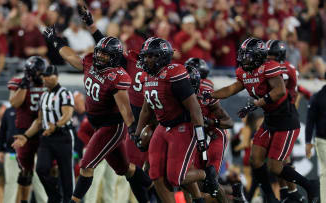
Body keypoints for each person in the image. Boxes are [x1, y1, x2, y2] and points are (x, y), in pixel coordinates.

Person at [43, 18, 152, 203]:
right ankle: (155, 192)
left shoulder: (117, 76)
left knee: (86, 166)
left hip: (111, 127)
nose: (100, 56)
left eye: (105, 54)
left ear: (115, 57)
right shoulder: (90, 62)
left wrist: (132, 128)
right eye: (99, 52)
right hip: (98, 124)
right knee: (126, 169)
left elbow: (125, 108)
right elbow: (71, 58)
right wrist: (56, 41)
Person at [205, 38, 319, 203]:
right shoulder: (244, 72)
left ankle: (309, 185)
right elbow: (232, 88)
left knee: (275, 166)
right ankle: (270, 196)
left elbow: (280, 91)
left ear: (257, 56)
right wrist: (212, 94)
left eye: (247, 55)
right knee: (255, 159)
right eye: (242, 55)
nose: (243, 59)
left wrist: (256, 104)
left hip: (285, 120)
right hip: (270, 119)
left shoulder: (269, 67)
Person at [130, 37, 209, 203]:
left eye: (152, 56)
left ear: (163, 56)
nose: (147, 60)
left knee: (175, 178)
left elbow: (194, 108)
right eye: (145, 56)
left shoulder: (175, 72)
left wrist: (200, 135)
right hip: (162, 126)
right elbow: (146, 108)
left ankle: (206, 174)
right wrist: (137, 131)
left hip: (182, 126)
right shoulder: (146, 76)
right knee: (155, 174)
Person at [184, 60, 245, 202]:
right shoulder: (176, 94)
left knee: (210, 182)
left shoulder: (205, 92)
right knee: (196, 183)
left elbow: (228, 122)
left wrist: (211, 122)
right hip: (196, 138)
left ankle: (231, 193)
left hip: (213, 135)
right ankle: (233, 190)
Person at [13, 65, 75, 203]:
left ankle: (67, 200)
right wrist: (26, 136)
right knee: (41, 169)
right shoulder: (44, 96)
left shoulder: (64, 93)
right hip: (47, 137)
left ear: (57, 76)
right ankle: (54, 195)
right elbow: (39, 121)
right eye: (44, 76)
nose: (45, 78)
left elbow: (68, 115)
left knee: (66, 173)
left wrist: (56, 125)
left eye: (49, 76)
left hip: (63, 136)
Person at [266, 39, 306, 203]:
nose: (268, 58)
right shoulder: (288, 67)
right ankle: (287, 192)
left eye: (271, 55)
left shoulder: (283, 69)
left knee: (281, 161)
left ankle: (296, 192)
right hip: (280, 115)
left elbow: (279, 91)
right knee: (279, 160)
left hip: (284, 116)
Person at [7, 56, 48, 203]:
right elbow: (15, 103)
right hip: (24, 130)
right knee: (26, 171)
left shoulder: (48, 82)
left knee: (49, 169)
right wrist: (24, 86)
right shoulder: (19, 82)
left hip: (44, 129)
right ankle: (24, 201)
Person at [305, 82, 326, 203]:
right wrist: (308, 141)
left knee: (325, 172)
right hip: (323, 140)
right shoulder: (318, 97)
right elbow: (310, 121)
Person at [0, 106, 20, 203]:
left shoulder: (33, 107)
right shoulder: (9, 111)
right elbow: (2, 131)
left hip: (31, 152)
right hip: (11, 152)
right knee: (10, 183)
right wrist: (0, 150)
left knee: (38, 184)